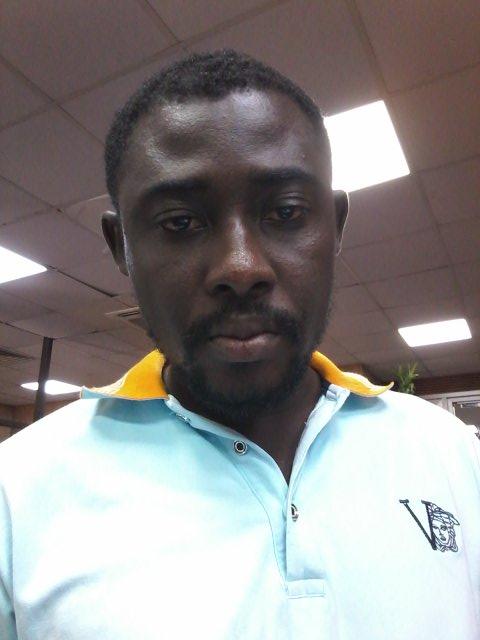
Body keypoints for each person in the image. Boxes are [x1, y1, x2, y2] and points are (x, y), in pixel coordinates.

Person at [0, 50, 479, 640]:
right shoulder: (17, 495)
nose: (241, 267)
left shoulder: (454, 459)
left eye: (286, 211)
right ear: (121, 245)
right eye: (180, 222)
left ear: (335, 226)